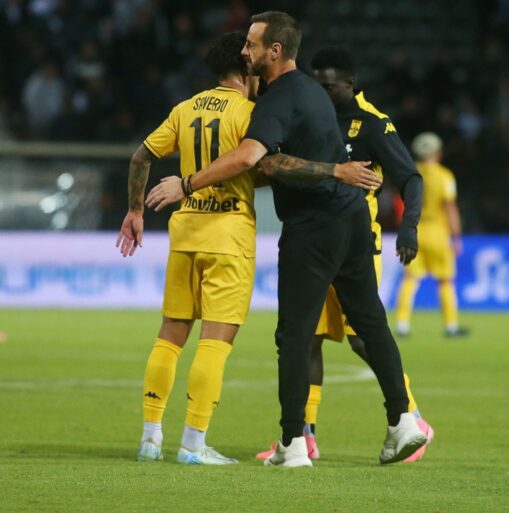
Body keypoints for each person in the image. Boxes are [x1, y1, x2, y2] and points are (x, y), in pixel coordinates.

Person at [145, 11, 427, 467]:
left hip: (314, 227)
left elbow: (251, 157)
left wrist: (187, 183)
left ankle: (293, 443)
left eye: (251, 44)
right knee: (371, 323)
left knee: (294, 335)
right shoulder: (311, 92)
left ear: (274, 51)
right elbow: (273, 165)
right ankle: (403, 421)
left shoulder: (277, 99)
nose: (244, 52)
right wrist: (329, 171)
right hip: (353, 219)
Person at [254, 45, 433, 463]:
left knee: (361, 336)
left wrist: (408, 227)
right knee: (310, 338)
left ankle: (411, 417)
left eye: (330, 86)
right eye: (317, 83)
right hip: (319, 233)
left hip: (355, 238)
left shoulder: (371, 123)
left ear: (350, 84)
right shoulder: (310, 113)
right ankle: (306, 435)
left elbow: (410, 178)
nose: (322, 91)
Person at [117, 32, 258, 465]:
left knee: (170, 336)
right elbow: (257, 163)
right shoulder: (250, 113)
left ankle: (150, 439)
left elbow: (140, 157)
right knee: (215, 342)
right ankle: (194, 445)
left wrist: (135, 211)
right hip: (228, 236)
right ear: (247, 67)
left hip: (185, 234)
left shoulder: (186, 108)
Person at [394, 132, 469, 338]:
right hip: (438, 232)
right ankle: (451, 325)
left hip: (414, 229)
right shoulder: (444, 176)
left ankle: (402, 324)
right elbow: (450, 207)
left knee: (410, 279)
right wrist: (456, 236)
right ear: (438, 152)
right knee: (445, 281)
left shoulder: (410, 172)